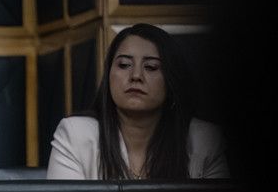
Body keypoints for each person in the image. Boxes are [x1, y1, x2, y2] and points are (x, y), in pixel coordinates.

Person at [45, 23, 229, 180]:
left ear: (171, 80)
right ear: (108, 76)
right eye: (124, 65)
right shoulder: (75, 135)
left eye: (151, 67)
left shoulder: (206, 141)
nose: (136, 76)